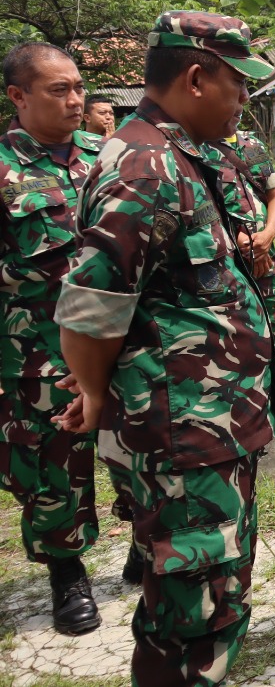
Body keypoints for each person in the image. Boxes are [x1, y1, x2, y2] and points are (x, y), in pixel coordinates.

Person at [53, 11, 275, 687]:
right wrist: (94, 393)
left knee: (213, 597)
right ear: (194, 78)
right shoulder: (146, 165)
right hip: (182, 436)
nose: (243, 100)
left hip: (209, 426)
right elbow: (92, 302)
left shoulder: (182, 154)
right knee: (193, 616)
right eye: (237, 85)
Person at [0, 42, 104, 634]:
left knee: (141, 443)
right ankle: (67, 573)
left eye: (77, 87)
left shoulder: (107, 155)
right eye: (57, 90)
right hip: (38, 349)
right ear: (18, 97)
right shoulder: (3, 167)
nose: (74, 99)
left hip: (122, 339)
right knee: (55, 466)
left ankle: (146, 550)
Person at [216, 126, 275, 419]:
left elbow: (274, 195)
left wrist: (267, 235)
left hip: (265, 261)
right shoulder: (196, 147)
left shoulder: (251, 143)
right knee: (238, 343)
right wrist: (238, 241)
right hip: (227, 266)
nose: (239, 101)